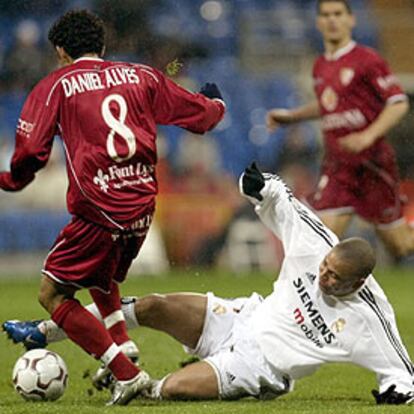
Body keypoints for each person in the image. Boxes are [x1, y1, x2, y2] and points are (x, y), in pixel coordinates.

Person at [5, 163, 414, 405]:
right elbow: (283, 199)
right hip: (243, 316)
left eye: (334, 278)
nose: (323, 276)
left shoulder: (371, 320)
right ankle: (44, 331)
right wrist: (260, 185)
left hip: (259, 367)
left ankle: (131, 382)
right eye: (324, 268)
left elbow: (402, 376)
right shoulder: (317, 244)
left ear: (357, 283)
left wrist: (396, 393)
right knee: (152, 306)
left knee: (171, 391)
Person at [0, 9, 225, 405]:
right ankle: (123, 343)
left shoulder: (56, 85)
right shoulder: (143, 75)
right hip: (142, 210)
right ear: (102, 46)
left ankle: (128, 374)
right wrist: (216, 103)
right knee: (100, 277)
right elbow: (201, 117)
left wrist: (11, 180)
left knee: (52, 294)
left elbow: (31, 152)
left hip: (98, 210)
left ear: (60, 52)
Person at [266, 0, 413, 261]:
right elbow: (328, 104)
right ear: (318, 22)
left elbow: (398, 103)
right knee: (321, 240)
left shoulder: (367, 59)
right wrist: (293, 116)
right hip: (339, 167)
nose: (332, 20)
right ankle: (314, 298)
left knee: (399, 247)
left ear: (351, 20)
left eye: (338, 14)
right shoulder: (320, 65)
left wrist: (367, 135)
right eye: (326, 15)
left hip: (373, 165)